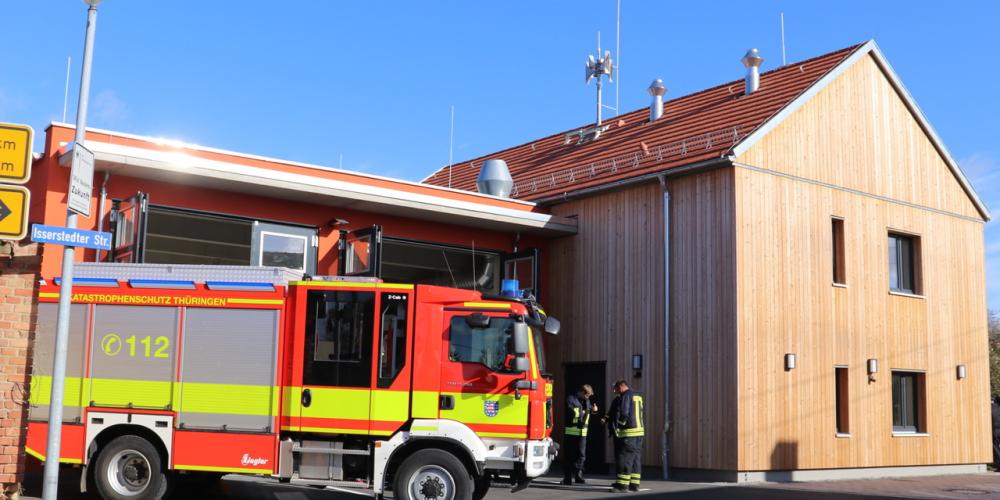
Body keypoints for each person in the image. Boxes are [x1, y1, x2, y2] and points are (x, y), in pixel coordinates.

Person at [607, 379, 644, 493]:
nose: (615, 391)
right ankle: (634, 484)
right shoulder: (637, 395)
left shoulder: (626, 396)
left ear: (622, 386)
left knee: (625, 458)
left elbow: (624, 413)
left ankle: (622, 486)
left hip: (629, 433)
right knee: (635, 459)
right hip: (639, 433)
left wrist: (618, 426)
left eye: (616, 388)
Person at [562, 384, 599, 485]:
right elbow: (571, 411)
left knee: (581, 456)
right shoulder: (571, 399)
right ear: (582, 392)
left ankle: (579, 476)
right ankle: (567, 478)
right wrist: (580, 413)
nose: (588, 398)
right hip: (571, 432)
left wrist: (594, 410)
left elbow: (588, 411)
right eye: (587, 395)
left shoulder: (586, 400)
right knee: (569, 456)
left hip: (583, 433)